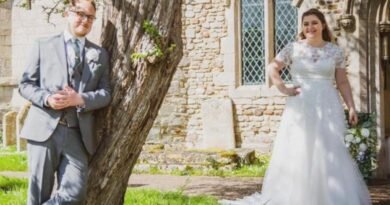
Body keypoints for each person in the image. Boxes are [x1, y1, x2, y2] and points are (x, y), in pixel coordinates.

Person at [220, 8, 371, 205]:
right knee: (300, 147)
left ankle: (331, 197)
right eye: (306, 23)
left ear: (323, 25)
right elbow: (272, 67)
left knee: (329, 148)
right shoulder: (294, 48)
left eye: (314, 23)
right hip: (301, 104)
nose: (310, 27)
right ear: (302, 27)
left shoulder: (335, 51)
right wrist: (283, 88)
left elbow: (342, 82)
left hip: (327, 104)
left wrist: (351, 107)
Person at [19, 0, 111, 204]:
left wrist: (81, 99)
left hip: (77, 134)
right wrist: (47, 99)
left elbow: (106, 93)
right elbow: (25, 84)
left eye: (90, 17)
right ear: (68, 13)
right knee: (38, 194)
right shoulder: (43, 45)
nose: (85, 20)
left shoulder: (100, 54)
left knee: (75, 194)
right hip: (43, 129)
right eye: (80, 13)